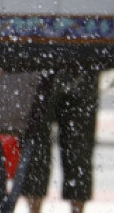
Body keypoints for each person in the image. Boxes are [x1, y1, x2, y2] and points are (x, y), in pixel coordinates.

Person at [21, 70, 99, 213]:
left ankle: (37, 208)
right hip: (77, 65)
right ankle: (37, 208)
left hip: (50, 66)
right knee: (75, 147)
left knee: (77, 148)